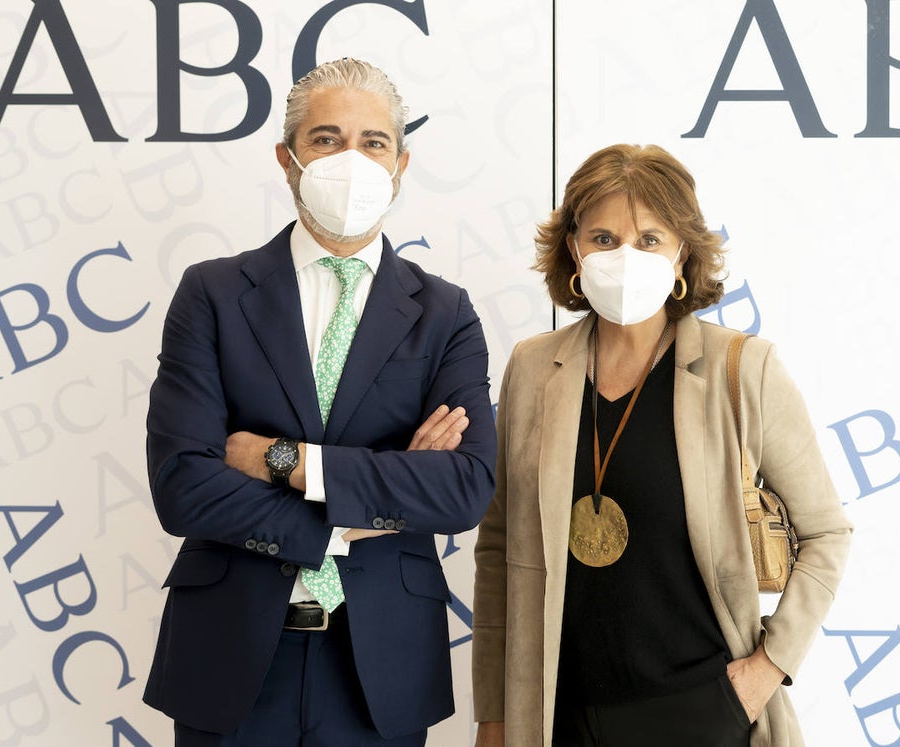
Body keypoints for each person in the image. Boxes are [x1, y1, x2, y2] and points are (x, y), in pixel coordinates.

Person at [143, 58, 497, 746]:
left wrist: (281, 459)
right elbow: (183, 485)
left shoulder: (445, 312)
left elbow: (461, 489)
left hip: (381, 667)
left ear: (401, 162)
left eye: (373, 143)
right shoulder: (212, 294)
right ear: (287, 158)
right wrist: (353, 521)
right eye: (326, 139)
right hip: (231, 654)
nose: (352, 160)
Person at [471, 144, 852, 746]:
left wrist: (764, 673)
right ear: (573, 249)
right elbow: (498, 545)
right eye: (603, 237)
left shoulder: (744, 369)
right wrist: (494, 717)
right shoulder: (533, 368)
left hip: (702, 711)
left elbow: (827, 533)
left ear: (682, 255)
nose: (625, 256)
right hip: (557, 713)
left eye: (649, 238)